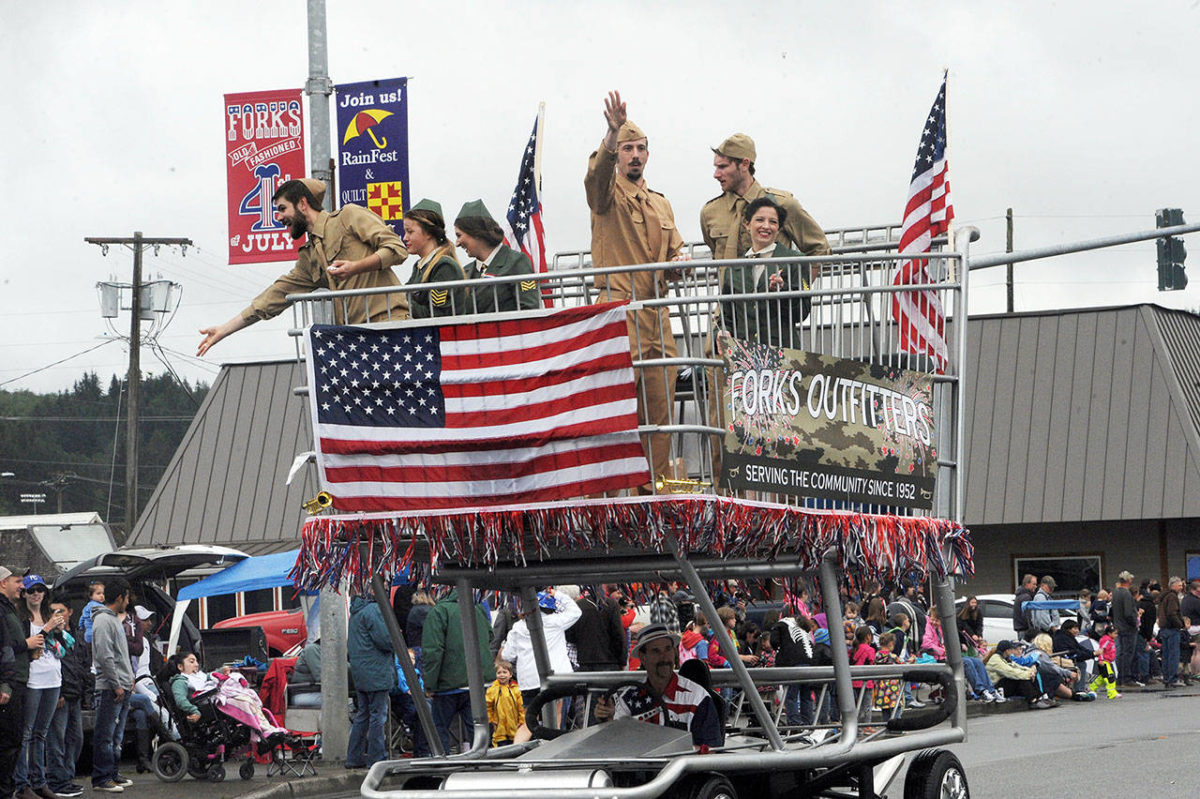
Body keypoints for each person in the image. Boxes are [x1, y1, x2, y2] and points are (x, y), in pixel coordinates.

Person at [585, 91, 688, 490]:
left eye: (640, 148)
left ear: (648, 154)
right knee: (616, 408)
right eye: (627, 148)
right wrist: (610, 134)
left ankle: (654, 488)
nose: (634, 155)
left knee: (660, 407)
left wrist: (680, 262)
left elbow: (676, 248)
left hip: (657, 315)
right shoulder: (606, 196)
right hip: (618, 308)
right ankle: (612, 493)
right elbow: (595, 179)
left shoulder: (661, 204)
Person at [198, 178, 410, 355]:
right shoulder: (309, 256)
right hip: (357, 337)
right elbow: (275, 295)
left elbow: (396, 248)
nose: (278, 217)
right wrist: (224, 330)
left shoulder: (348, 216)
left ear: (302, 204)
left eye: (282, 209)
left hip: (389, 325)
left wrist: (356, 267)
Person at [700, 133, 830, 273]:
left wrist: (799, 288)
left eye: (723, 167)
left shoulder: (782, 204)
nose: (716, 175)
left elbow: (819, 249)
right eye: (716, 167)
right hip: (729, 294)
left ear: (745, 164)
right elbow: (716, 255)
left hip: (775, 293)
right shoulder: (710, 212)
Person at [595, 624, 724, 749]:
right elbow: (616, 744)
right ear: (642, 657)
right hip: (640, 770)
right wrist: (608, 720)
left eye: (668, 649)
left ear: (674, 652)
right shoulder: (628, 699)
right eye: (656, 651)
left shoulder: (698, 698)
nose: (664, 657)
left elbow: (710, 751)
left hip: (684, 770)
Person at [718, 197, 812, 349]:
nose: (766, 226)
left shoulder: (795, 260)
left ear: (779, 228)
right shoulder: (734, 268)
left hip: (783, 353)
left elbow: (802, 313)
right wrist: (722, 331)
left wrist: (783, 291)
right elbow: (726, 316)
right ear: (747, 224)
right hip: (745, 356)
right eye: (760, 220)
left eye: (773, 222)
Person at [14, 574, 70, 799]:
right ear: (24, 594)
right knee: (26, 733)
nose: (36, 594)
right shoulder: (20, 617)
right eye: (31, 590)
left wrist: (60, 631)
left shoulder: (50, 614)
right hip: (32, 679)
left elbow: (62, 645)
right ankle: (22, 783)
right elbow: (28, 644)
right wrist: (47, 628)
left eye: (40, 590)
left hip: (53, 677)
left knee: (41, 734)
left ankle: (40, 782)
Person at [421, 588, 495, 755]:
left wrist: (430, 685)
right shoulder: (477, 608)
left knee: (440, 730)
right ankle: (481, 767)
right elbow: (490, 636)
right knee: (478, 729)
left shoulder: (439, 612)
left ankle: (444, 769)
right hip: (477, 681)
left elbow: (433, 651)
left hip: (448, 684)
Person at [454, 199, 541, 315]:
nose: (457, 243)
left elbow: (530, 309)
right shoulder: (465, 272)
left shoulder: (516, 262)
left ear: (476, 233)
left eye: (459, 235)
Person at [501, 590, 582, 707]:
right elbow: (576, 612)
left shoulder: (517, 628)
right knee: (557, 721)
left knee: (530, 720)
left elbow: (507, 655)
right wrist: (557, 594)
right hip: (558, 679)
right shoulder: (555, 621)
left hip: (529, 683)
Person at [91, 575, 134, 794]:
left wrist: (129, 680)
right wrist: (116, 683)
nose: (128, 602)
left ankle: (112, 773)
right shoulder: (103, 620)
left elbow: (120, 655)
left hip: (122, 685)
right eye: (126, 597)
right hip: (110, 688)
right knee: (105, 735)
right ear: (119, 597)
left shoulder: (113, 620)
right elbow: (105, 656)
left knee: (116, 735)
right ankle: (101, 777)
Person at [346, 595, 396, 769]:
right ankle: (377, 757)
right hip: (376, 671)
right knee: (378, 715)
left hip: (361, 672)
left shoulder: (356, 612)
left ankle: (354, 756)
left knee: (363, 715)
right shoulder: (373, 610)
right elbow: (386, 640)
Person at [1, 566, 36, 799]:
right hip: (9, 685)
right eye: (17, 581)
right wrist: (27, 645)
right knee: (8, 742)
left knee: (13, 742)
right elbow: (4, 649)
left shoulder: (9, 609)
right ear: (3, 583)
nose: (22, 586)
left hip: (16, 681)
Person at [46, 599, 86, 798]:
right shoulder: (51, 636)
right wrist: (59, 692)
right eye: (53, 611)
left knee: (76, 739)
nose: (58, 614)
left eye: (61, 610)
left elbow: (82, 664)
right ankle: (57, 781)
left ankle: (67, 778)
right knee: (56, 740)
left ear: (70, 611)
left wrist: (85, 689)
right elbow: (54, 666)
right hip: (59, 694)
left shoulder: (75, 636)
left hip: (76, 693)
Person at [403, 199, 466, 318]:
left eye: (410, 232)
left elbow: (438, 315)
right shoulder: (419, 266)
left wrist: (401, 302)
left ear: (429, 233)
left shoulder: (444, 266)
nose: (405, 237)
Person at [1110, 571, 1141, 688]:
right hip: (1128, 628)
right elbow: (1129, 613)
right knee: (1128, 653)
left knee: (1121, 653)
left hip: (1118, 626)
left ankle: (1120, 678)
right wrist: (1135, 623)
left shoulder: (1115, 593)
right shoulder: (1126, 594)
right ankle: (1127, 678)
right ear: (1129, 580)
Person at [1157, 576, 1186, 688]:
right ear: (1173, 585)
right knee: (1173, 654)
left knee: (1166, 655)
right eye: (1179, 585)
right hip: (1172, 629)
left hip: (1164, 629)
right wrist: (1180, 624)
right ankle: (1172, 678)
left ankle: (1166, 677)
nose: (1181, 587)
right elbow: (1172, 613)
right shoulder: (1173, 597)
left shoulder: (1164, 596)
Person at [485, 660, 522, 747]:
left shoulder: (516, 690)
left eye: (505, 672)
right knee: (501, 747)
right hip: (499, 728)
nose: (502, 675)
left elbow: (521, 707)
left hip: (515, 726)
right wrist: (490, 720)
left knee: (516, 747)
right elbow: (487, 706)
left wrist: (522, 721)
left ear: (510, 674)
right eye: (499, 673)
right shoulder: (492, 690)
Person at [1012, 573, 1037, 641]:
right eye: (1034, 584)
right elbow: (1027, 615)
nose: (1035, 586)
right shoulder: (1026, 597)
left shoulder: (1020, 595)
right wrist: (1032, 629)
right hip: (1025, 630)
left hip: (1021, 629)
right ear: (1027, 584)